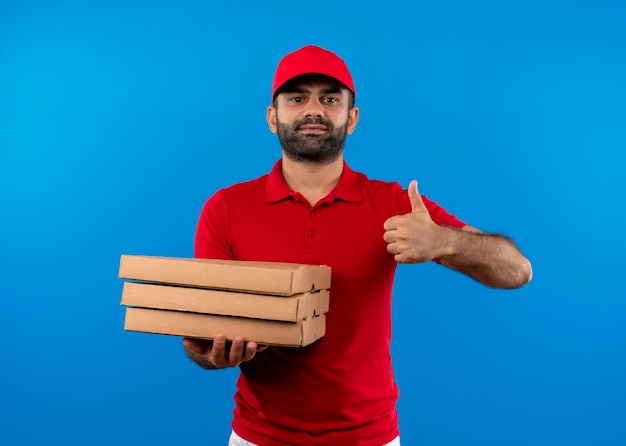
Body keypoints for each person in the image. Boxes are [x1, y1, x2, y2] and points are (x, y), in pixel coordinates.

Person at [182, 45, 532, 446]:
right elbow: (201, 339)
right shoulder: (225, 208)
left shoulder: (394, 204)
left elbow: (517, 271)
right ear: (271, 117)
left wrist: (443, 240)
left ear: (351, 119)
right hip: (258, 436)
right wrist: (209, 353)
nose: (313, 110)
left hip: (370, 437)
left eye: (329, 99)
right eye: (297, 98)